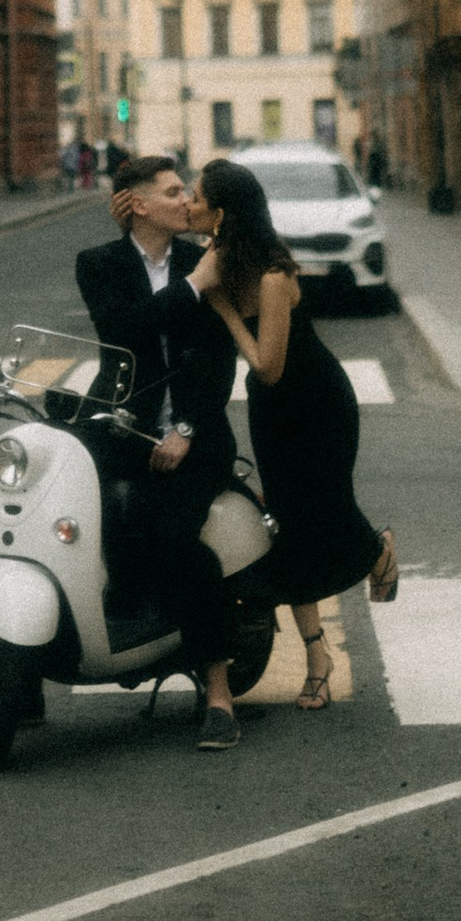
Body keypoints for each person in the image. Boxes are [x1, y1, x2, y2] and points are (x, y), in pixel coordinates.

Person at [191, 154, 397, 723]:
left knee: (325, 513)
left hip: (316, 405)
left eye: (196, 195)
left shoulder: (273, 277)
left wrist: (226, 310)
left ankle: (374, 547)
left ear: (222, 211)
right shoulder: (219, 259)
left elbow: (268, 367)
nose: (190, 202)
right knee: (287, 530)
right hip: (271, 414)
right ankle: (318, 661)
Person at [73, 156, 246, 748]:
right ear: (139, 205)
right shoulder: (99, 264)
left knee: (177, 539)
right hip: (124, 429)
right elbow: (127, 331)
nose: (186, 202)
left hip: (195, 438)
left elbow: (218, 359)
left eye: (188, 193)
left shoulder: (207, 260)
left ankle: (219, 693)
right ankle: (19, 676)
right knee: (64, 517)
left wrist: (189, 428)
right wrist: (193, 288)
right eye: (174, 193)